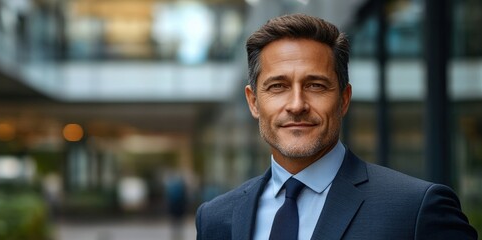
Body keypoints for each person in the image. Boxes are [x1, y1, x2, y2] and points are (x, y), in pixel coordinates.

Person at [195, 14, 478, 240]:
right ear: (254, 102)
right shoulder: (217, 218)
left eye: (315, 85)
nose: (296, 104)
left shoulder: (416, 209)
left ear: (343, 100)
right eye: (278, 86)